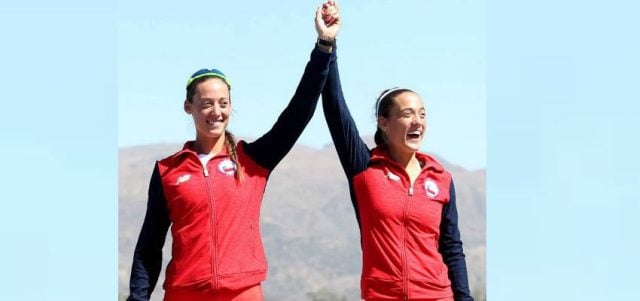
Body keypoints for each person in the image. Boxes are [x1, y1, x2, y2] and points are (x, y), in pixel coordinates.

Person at [126, 4, 340, 301]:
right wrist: (138, 297)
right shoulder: (167, 171)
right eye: (206, 104)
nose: (216, 112)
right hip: (184, 293)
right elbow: (149, 246)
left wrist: (324, 46)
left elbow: (298, 112)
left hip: (242, 293)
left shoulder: (253, 160)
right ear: (189, 107)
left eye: (223, 103)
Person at [319, 2, 474, 300]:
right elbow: (336, 110)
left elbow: (452, 247)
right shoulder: (364, 168)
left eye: (423, 113)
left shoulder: (441, 179)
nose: (417, 121)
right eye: (407, 114)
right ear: (384, 123)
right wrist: (329, 44)